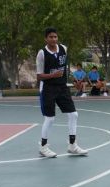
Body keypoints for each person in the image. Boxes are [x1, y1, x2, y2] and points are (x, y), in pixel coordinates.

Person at [36, 27, 87, 157]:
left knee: (73, 114)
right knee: (50, 118)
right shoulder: (42, 53)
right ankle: (43, 147)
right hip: (48, 88)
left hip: (62, 87)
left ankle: (72, 145)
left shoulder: (63, 48)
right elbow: (39, 76)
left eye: (55, 37)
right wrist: (53, 75)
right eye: (51, 37)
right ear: (46, 39)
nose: (53, 39)